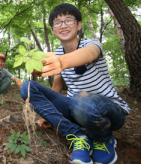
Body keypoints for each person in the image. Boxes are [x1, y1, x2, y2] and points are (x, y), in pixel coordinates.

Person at [20, 3, 130, 164]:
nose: (63, 25)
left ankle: (104, 139)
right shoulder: (57, 52)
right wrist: (47, 114)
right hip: (76, 109)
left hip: (109, 112)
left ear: (78, 25)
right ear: (52, 30)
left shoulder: (91, 44)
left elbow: (90, 54)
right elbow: (57, 87)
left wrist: (62, 61)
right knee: (27, 87)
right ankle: (79, 137)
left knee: (80, 99)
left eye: (69, 20)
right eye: (58, 22)